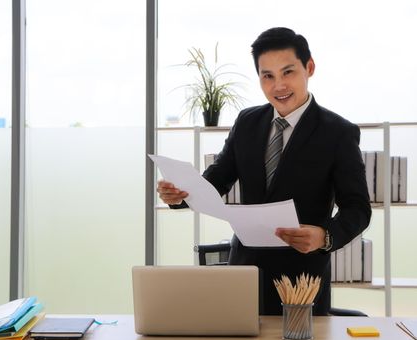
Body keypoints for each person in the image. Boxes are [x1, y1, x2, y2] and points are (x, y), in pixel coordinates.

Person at [157, 27, 372, 315]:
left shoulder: (338, 132)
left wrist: (324, 236)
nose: (278, 86)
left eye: (288, 72)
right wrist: (180, 196)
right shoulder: (247, 122)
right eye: (267, 76)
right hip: (244, 271)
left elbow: (357, 209)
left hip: (302, 279)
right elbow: (218, 178)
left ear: (309, 68)